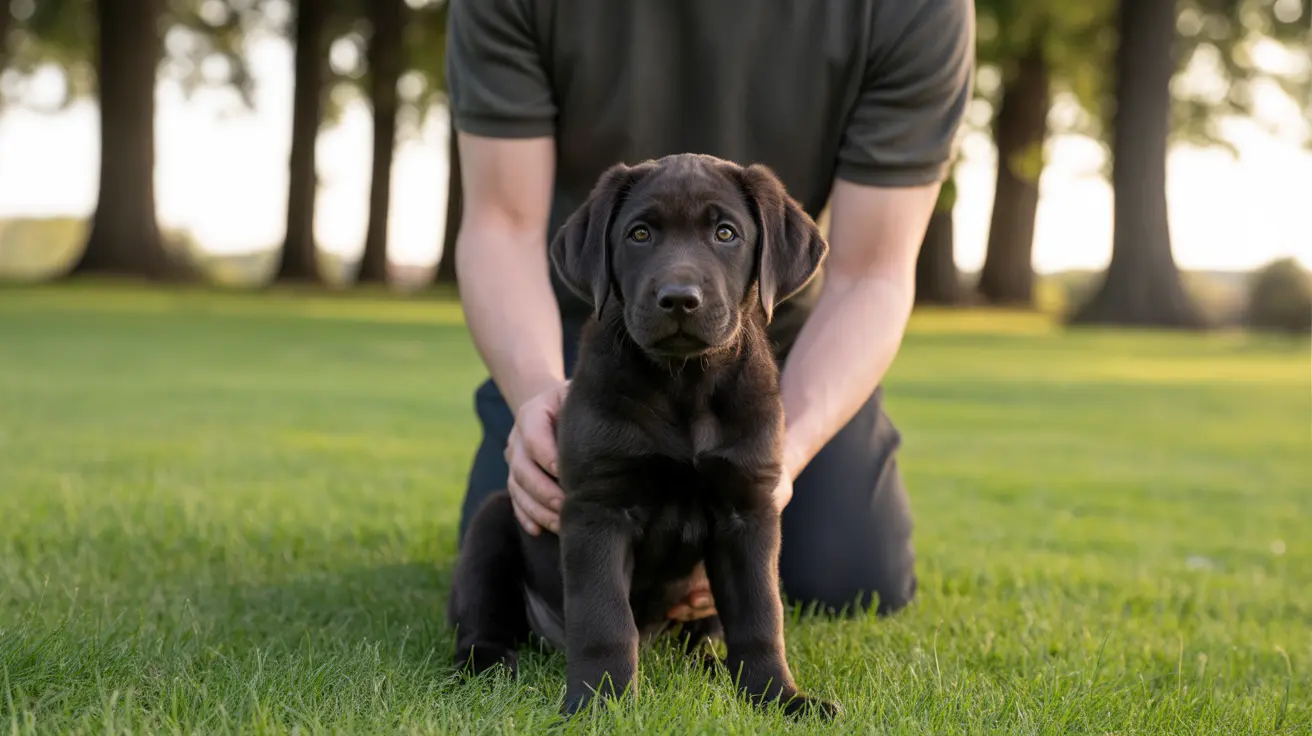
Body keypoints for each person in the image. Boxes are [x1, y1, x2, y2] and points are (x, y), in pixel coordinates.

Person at [446, 0, 974, 622]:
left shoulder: (914, 9)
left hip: (774, 347)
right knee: (533, 553)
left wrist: (774, 462)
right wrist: (535, 394)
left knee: (847, 577)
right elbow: (502, 226)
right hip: (587, 335)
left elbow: (871, 274)